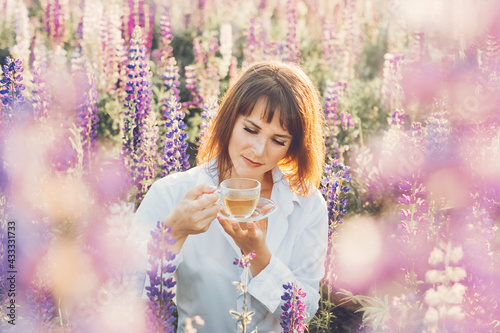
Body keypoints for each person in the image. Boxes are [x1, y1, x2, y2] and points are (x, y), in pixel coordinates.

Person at [136, 60, 328, 332]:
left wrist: (259, 254)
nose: (259, 149)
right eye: (250, 129)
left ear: (292, 148)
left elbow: (303, 313)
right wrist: (174, 232)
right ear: (229, 121)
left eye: (278, 140)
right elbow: (129, 291)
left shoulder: (307, 205)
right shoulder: (171, 193)